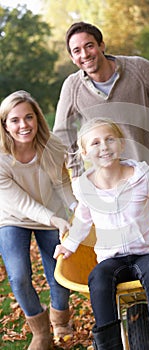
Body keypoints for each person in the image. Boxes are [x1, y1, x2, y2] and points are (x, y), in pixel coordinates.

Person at [53, 117, 149, 350]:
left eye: (109, 139)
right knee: (98, 279)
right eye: (95, 143)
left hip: (146, 252)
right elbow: (83, 221)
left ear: (121, 144)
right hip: (111, 258)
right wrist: (69, 245)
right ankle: (109, 346)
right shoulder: (86, 188)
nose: (104, 147)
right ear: (84, 152)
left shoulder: (141, 177)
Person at [53, 21, 149, 192]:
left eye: (89, 46)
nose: (85, 54)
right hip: (107, 181)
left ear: (101, 45)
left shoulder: (138, 68)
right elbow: (62, 132)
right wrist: (76, 171)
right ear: (72, 59)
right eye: (77, 51)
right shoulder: (72, 87)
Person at [0, 90, 78, 350]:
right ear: (4, 124)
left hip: (51, 214)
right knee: (19, 275)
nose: (24, 125)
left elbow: (62, 183)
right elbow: (21, 203)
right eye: (15, 120)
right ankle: (41, 333)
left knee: (58, 271)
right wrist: (55, 218)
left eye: (29, 117)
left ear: (38, 119)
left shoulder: (52, 145)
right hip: (12, 217)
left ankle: (61, 320)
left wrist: (75, 208)